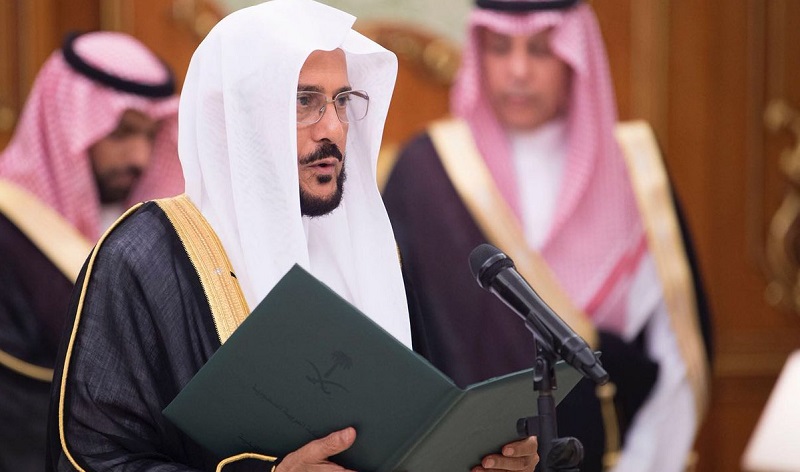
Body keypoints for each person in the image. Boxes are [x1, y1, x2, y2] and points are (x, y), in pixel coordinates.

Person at [45, 1, 539, 471]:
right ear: (241, 115)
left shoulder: (373, 254)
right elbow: (90, 458)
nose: (333, 129)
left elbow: (417, 439)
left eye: (342, 101)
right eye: (305, 102)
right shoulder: (143, 258)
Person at [382, 1, 713, 471]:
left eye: (540, 50)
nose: (518, 71)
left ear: (575, 55)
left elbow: (675, 353)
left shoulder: (634, 171)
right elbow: (399, 345)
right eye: (500, 48)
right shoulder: (426, 172)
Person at [0, 30, 183, 471]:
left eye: (151, 134)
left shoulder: (147, 230)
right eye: (121, 132)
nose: (140, 156)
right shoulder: (8, 231)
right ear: (67, 126)